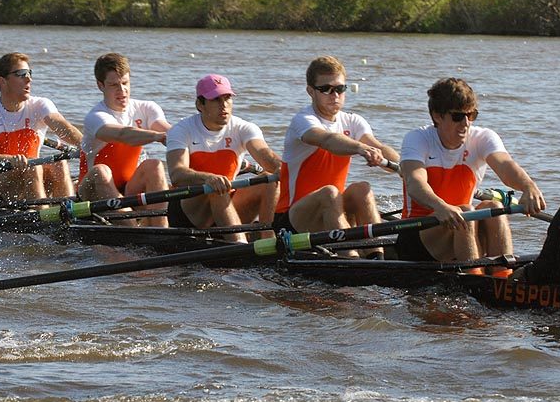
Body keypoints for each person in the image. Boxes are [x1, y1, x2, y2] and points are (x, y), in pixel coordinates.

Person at [397, 77, 545, 269]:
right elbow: (415, 183)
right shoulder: (417, 139)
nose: (466, 123)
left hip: (458, 226)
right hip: (417, 233)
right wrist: (441, 207)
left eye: (472, 115)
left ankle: (504, 279)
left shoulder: (483, 137)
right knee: (466, 211)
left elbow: (505, 166)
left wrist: (528, 186)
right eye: (458, 116)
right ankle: (474, 279)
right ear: (437, 116)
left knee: (493, 206)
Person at [272, 56, 399, 254]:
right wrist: (360, 148)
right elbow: (327, 140)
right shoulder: (303, 120)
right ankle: (352, 259)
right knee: (330, 192)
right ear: (310, 91)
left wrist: (406, 167)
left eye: (340, 89)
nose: (334, 95)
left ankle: (377, 256)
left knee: (362, 189)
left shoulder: (353, 121)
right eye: (326, 89)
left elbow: (378, 147)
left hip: (331, 210)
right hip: (291, 219)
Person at [165, 74, 282, 243]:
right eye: (215, 99)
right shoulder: (181, 130)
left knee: (269, 178)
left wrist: (282, 167)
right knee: (217, 186)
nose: (224, 105)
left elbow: (265, 155)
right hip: (191, 213)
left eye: (227, 98)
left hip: (226, 203)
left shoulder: (244, 127)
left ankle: (268, 240)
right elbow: (177, 174)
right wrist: (209, 178)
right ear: (200, 104)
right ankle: (240, 246)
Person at [0, 52, 82, 201]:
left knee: (60, 163)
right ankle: (43, 214)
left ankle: (69, 212)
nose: (29, 79)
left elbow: (63, 129)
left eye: (29, 73)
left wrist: (87, 145)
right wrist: (10, 160)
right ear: (3, 81)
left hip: (31, 173)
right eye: (21, 74)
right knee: (32, 165)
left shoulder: (40, 105)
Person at [76, 53, 170, 226]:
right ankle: (134, 226)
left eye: (125, 83)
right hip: (90, 192)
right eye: (114, 85)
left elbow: (165, 128)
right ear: (100, 85)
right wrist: (157, 137)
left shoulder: (147, 108)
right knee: (101, 170)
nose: (122, 90)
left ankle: (161, 227)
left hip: (127, 188)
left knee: (155, 165)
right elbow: (122, 134)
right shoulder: (95, 117)